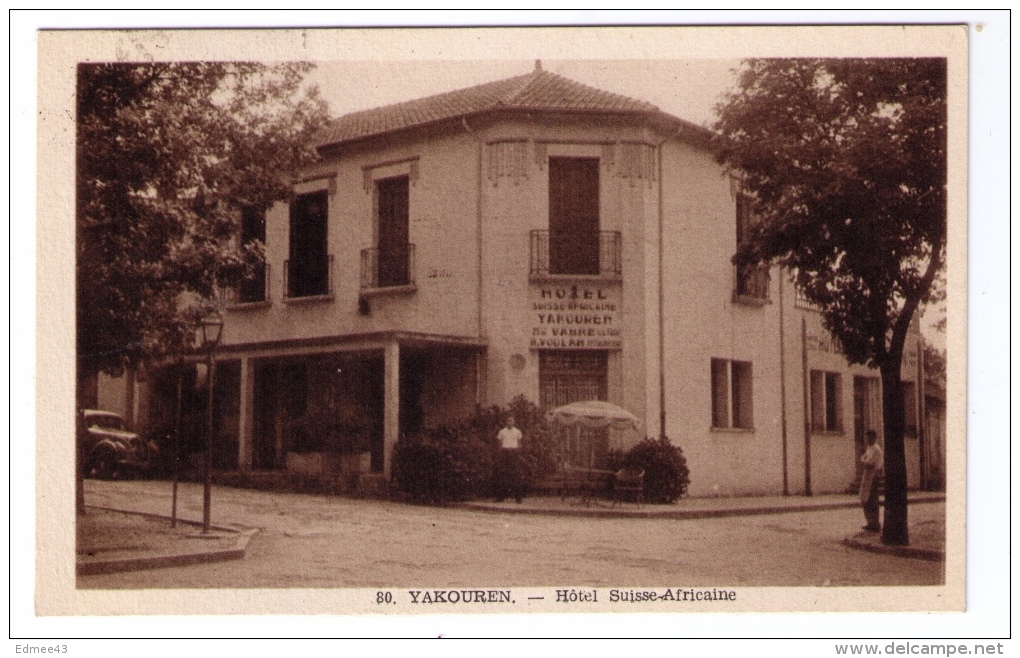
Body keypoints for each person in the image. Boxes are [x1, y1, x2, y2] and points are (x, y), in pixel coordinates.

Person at [495, 415, 525, 503]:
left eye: (511, 420)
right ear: (506, 422)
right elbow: (499, 443)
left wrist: (518, 453)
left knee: (516, 475)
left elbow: (519, 443)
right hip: (505, 452)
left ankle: (518, 498)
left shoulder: (517, 431)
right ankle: (500, 497)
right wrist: (501, 453)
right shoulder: (502, 432)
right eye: (508, 420)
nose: (510, 422)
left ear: (514, 422)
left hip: (514, 452)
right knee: (503, 474)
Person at [859, 430, 884, 532]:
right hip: (867, 475)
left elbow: (872, 464)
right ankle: (870, 522)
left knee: (872, 500)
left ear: (874, 438)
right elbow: (864, 458)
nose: (867, 440)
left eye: (869, 438)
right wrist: (864, 461)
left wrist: (865, 461)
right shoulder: (869, 448)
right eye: (866, 438)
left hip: (873, 476)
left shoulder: (877, 450)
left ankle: (875, 523)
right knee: (865, 499)